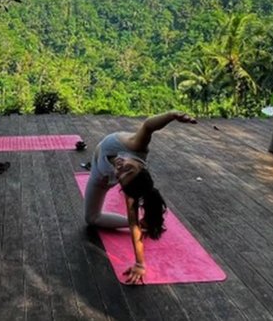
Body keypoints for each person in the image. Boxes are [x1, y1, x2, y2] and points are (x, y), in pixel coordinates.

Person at [84, 110, 198, 284]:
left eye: (121, 174)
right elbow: (148, 126)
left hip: (101, 177)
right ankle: (143, 222)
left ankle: (143, 222)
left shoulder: (126, 184)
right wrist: (172, 115)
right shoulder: (136, 147)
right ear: (140, 166)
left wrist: (140, 263)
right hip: (101, 167)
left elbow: (132, 226)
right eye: (129, 168)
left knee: (93, 219)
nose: (121, 167)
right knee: (93, 219)